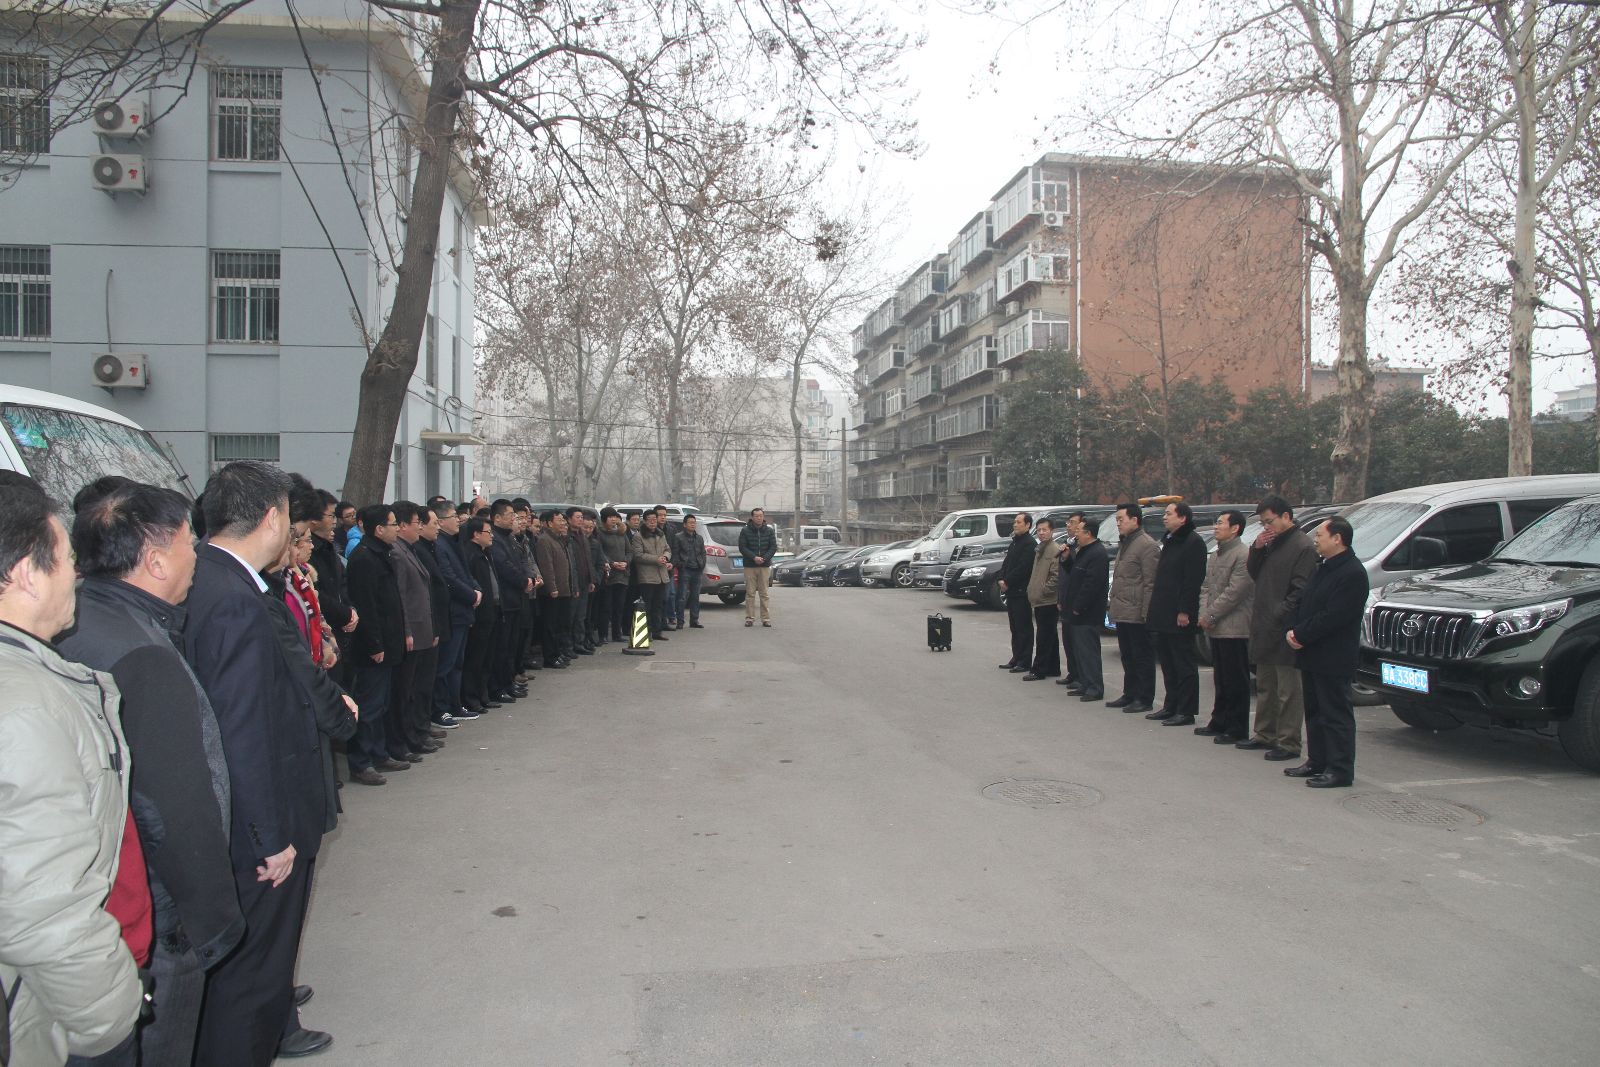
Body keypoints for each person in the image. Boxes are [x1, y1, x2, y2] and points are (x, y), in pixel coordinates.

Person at [58, 480, 244, 1066]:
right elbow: (177, 807)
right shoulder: (142, 655)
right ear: (157, 560)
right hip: (162, 917)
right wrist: (211, 922)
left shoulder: (80, 623)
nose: (198, 557)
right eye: (190, 542)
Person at [182, 461, 327, 1067]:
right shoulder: (236, 599)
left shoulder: (208, 577)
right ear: (272, 517)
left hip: (239, 817)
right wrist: (269, 837)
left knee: (252, 968)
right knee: (252, 975)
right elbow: (240, 727)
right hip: (258, 825)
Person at [0, 478, 145, 1067]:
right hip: (45, 1017)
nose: (76, 575)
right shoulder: (24, 708)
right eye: (64, 559)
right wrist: (112, 1017)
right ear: (26, 574)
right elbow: (44, 907)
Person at [1284, 517, 1369, 788]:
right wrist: (1293, 629)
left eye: (1320, 534)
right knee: (1315, 711)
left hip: (1333, 655)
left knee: (1335, 714)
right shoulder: (1323, 567)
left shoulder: (1352, 573)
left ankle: (1340, 769)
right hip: (1312, 652)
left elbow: (1334, 616)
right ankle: (1317, 760)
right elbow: (1304, 602)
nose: (1316, 539)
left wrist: (1301, 634)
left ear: (1337, 538)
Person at [1238, 496, 1319, 762]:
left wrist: (1280, 613)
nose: (1266, 527)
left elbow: (1301, 590)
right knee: (1266, 685)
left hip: (1285, 626)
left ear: (1286, 516)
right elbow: (1255, 574)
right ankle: (1264, 733)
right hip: (1264, 624)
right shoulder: (1271, 543)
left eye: (1269, 521)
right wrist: (1257, 548)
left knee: (1288, 690)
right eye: (1263, 523)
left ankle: (1288, 741)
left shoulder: (1302, 546)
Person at [344, 505, 410, 785]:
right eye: (393, 524)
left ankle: (379, 753)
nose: (397, 528)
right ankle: (361, 762)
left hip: (389, 641)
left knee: (381, 704)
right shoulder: (363, 558)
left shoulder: (383, 553)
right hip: (373, 647)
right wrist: (374, 645)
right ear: (379, 529)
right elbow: (366, 606)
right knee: (369, 705)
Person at [389, 502, 444, 757]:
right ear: (402, 526)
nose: (420, 527)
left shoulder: (410, 550)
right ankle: (408, 737)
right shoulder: (398, 553)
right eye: (416, 523)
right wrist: (408, 631)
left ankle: (418, 731)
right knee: (407, 690)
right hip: (413, 632)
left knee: (420, 685)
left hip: (424, 629)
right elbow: (401, 596)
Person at [1146, 502, 1207, 726]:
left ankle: (1186, 710)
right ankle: (1171, 705)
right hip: (1163, 612)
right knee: (1168, 662)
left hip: (1179, 614)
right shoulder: (1170, 540)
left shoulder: (1193, 542)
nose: (1164, 517)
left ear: (1183, 518)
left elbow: (1192, 581)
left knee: (1183, 663)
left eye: (1169, 514)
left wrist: (1185, 610)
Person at [1197, 510, 1255, 744]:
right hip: (1216, 625)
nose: (1216, 527)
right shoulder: (1216, 555)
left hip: (1235, 626)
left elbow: (1235, 592)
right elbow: (1206, 587)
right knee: (1220, 677)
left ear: (1235, 528)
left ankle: (1236, 727)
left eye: (1221, 523)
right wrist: (1204, 613)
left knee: (1235, 679)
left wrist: (1210, 614)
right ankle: (1219, 720)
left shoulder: (1243, 555)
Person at [429, 504, 482, 721]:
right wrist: (471, 595)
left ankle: (455, 704)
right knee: (446, 664)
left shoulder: (454, 542)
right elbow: (449, 578)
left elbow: (465, 573)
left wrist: (476, 589)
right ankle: (442, 708)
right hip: (453, 612)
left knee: (457, 663)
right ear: (441, 522)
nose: (458, 520)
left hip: (464, 611)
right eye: (453, 516)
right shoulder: (440, 546)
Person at [1106, 503, 1159, 712]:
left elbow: (1150, 583)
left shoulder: (1147, 545)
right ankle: (1130, 693)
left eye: (1121, 519)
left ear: (1135, 520)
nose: (1118, 524)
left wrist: (1146, 613)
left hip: (1137, 612)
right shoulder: (1126, 542)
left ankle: (1144, 698)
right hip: (1123, 610)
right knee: (1127, 656)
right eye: (1117, 520)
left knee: (1142, 657)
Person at [1061, 512, 1109, 701]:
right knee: (1079, 650)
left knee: (1088, 651)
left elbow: (1091, 585)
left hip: (1087, 613)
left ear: (1088, 533)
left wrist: (1078, 606)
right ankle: (1084, 683)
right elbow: (1075, 575)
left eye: (1079, 530)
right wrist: (1067, 559)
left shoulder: (1097, 554)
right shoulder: (1083, 551)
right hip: (1076, 611)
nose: (1076, 534)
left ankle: (1094, 687)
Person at [488, 500, 532, 700]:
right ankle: (499, 687)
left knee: (511, 646)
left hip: (515, 599)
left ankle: (508, 682)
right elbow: (504, 566)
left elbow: (520, 563)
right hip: (505, 600)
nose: (513, 518)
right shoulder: (496, 539)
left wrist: (528, 578)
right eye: (510, 515)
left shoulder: (509, 538)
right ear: (497, 518)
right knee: (502, 647)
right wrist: (523, 581)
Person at [460, 518, 500, 712]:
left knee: (487, 657)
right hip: (479, 615)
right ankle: (471, 697)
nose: (491, 536)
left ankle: (483, 694)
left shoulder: (486, 553)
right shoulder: (471, 555)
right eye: (487, 532)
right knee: (475, 659)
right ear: (476, 534)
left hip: (491, 612)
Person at [535, 510, 575, 667]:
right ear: (550, 523)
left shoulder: (560, 539)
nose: (563, 523)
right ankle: (550, 657)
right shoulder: (544, 540)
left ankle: (558, 653)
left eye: (564, 520)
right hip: (553, 591)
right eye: (559, 520)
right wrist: (552, 587)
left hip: (564, 589)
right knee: (550, 625)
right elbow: (547, 566)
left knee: (560, 624)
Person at [1024, 517, 1062, 679]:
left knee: (1044, 636)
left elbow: (1056, 576)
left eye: (1044, 530)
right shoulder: (1040, 548)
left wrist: (1044, 591)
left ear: (1052, 531)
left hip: (1048, 600)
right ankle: (1053, 667)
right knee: (1050, 635)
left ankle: (1039, 669)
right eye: (1039, 530)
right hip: (1040, 599)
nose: (1041, 533)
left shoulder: (1054, 549)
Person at [997, 512, 1036, 673]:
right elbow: (1007, 563)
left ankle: (1025, 661)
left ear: (1028, 525)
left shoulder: (1029, 544)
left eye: (1019, 522)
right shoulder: (1015, 542)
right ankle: (1016, 657)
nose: (1015, 524)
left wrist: (1007, 581)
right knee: (1014, 627)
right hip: (1011, 592)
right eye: (1015, 521)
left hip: (1021, 592)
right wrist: (1001, 578)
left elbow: (1023, 568)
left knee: (1023, 627)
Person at [634, 510, 673, 640]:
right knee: (647, 606)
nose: (652, 522)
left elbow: (667, 549)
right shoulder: (639, 536)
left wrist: (665, 558)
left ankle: (657, 631)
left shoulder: (660, 534)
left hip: (661, 575)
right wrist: (656, 559)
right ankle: (647, 632)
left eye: (654, 520)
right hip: (647, 576)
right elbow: (638, 555)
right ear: (644, 521)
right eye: (650, 520)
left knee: (659, 605)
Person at [597, 509, 632, 643]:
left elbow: (629, 551)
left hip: (622, 574)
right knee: (605, 607)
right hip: (608, 575)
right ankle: (603, 635)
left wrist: (626, 562)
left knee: (619, 606)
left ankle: (617, 634)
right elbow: (600, 552)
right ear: (604, 519)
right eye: (610, 517)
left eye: (615, 517)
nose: (613, 519)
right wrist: (612, 563)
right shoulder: (600, 533)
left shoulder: (622, 533)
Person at [739, 507, 777, 628]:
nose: (759, 518)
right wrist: (754, 557)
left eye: (761, 516)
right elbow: (742, 547)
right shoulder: (745, 530)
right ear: (752, 517)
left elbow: (773, 547)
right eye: (756, 516)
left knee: (764, 593)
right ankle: (749, 618)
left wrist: (764, 558)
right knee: (750, 593)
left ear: (763, 517)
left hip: (764, 566)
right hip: (750, 565)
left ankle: (765, 619)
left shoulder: (769, 531)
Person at [673, 514, 707, 629]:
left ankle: (694, 620)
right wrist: (680, 565)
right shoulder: (678, 537)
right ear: (684, 524)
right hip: (685, 570)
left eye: (694, 522)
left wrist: (702, 564)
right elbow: (675, 554)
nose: (693, 524)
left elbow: (703, 553)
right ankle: (680, 621)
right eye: (690, 522)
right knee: (682, 596)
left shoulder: (699, 538)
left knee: (695, 596)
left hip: (697, 570)